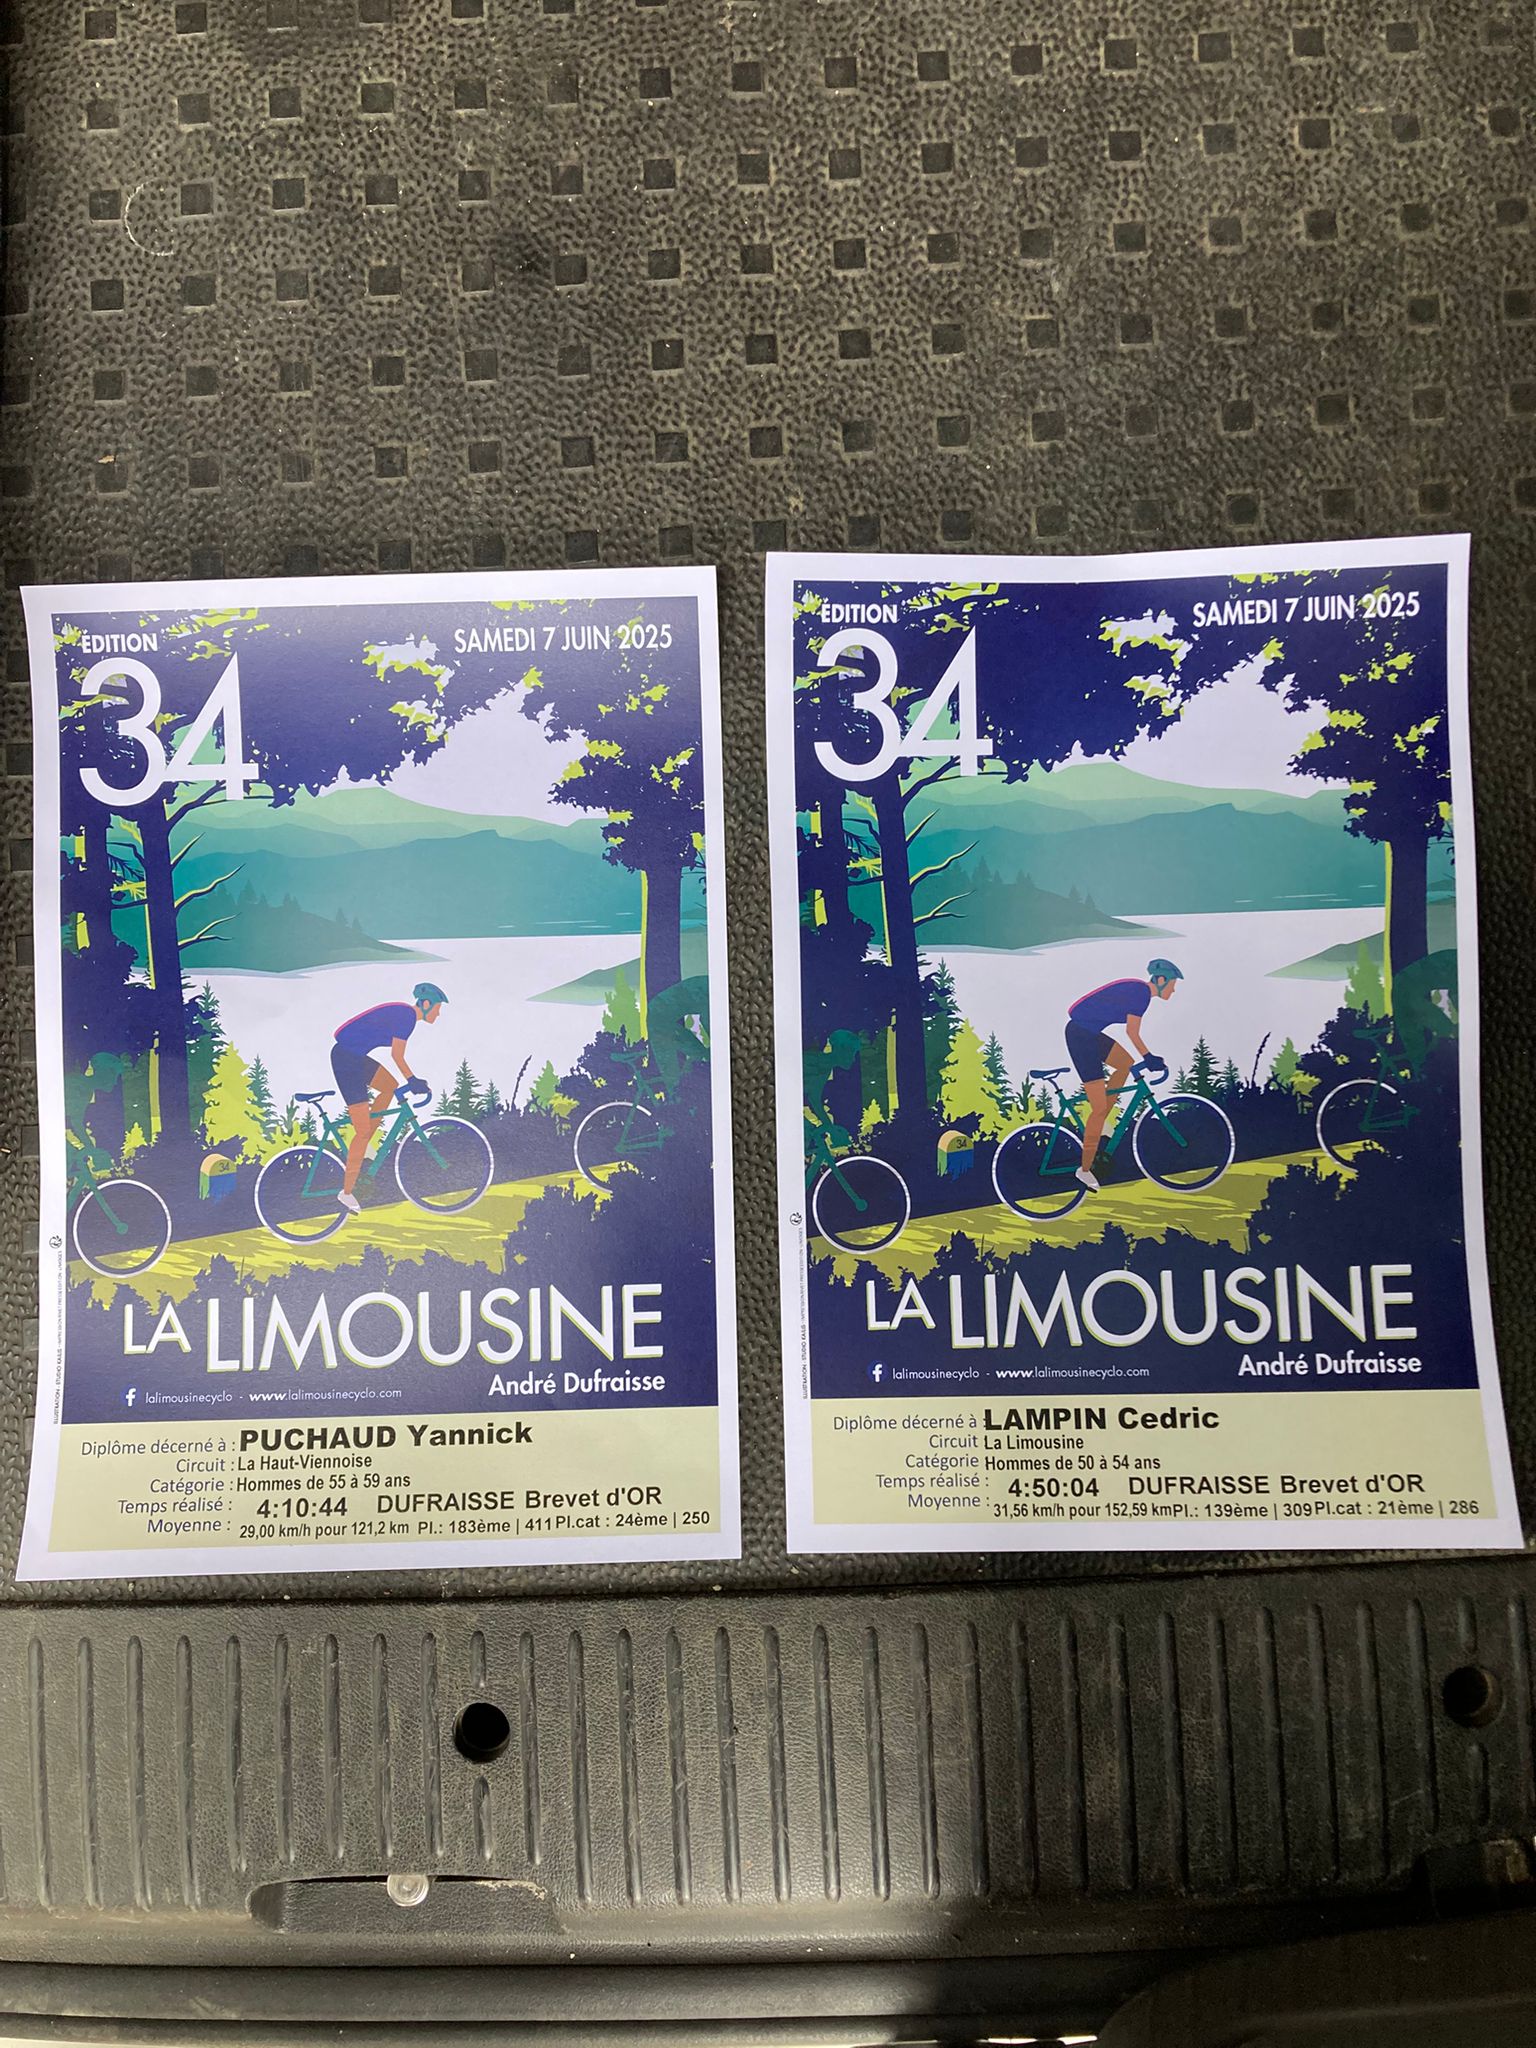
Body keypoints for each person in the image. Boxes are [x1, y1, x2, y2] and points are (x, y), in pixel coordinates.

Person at [1065, 958, 1182, 1192]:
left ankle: (1103, 1122)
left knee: (1125, 1064)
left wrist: (1147, 1058)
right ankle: (1085, 1170)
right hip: (1080, 1037)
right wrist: (1148, 1057)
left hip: (1089, 1034)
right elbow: (1132, 1032)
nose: (1173, 989)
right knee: (1098, 1108)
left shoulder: (1140, 992)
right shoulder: (1141, 995)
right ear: (1161, 980)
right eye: (1172, 984)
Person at [331, 982, 446, 1214]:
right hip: (346, 1061)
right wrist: (412, 1080)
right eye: (437, 1008)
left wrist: (411, 1081)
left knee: (389, 1087)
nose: (438, 1013)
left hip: (355, 1058)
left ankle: (366, 1141)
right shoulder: (407, 1018)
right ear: (426, 1004)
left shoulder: (406, 1016)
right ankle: (347, 1192)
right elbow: (397, 1056)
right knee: (362, 1131)